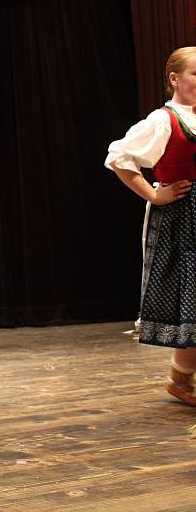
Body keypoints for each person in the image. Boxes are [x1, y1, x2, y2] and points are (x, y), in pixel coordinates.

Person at [105, 46, 196, 406]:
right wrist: (153, 195)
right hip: (184, 216)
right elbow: (119, 156)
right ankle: (181, 377)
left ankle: (181, 377)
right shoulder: (165, 120)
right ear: (175, 78)